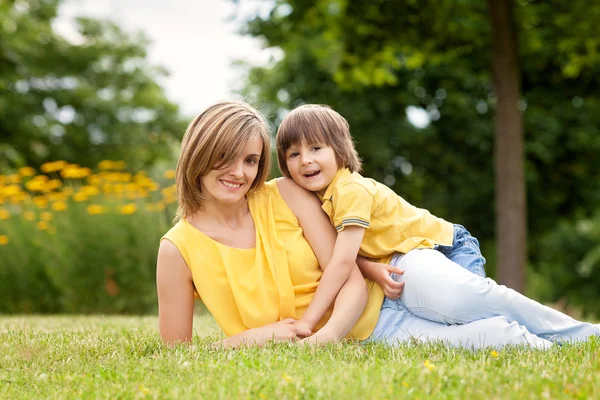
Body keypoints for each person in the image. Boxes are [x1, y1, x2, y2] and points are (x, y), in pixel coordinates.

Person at [157, 100, 599, 349]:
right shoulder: (178, 249)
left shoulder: (284, 194)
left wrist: (323, 331)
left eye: (251, 159)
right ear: (198, 153)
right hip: (375, 330)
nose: (239, 172)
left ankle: (588, 337)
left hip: (398, 272)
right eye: (225, 158)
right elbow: (179, 353)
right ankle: (575, 350)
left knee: (463, 295)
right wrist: (264, 335)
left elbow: (347, 271)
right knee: (495, 339)